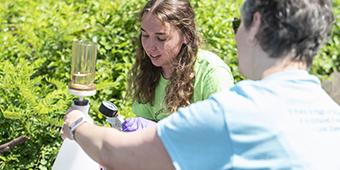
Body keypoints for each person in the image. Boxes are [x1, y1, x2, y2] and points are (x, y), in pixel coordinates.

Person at [62, 0, 340, 169]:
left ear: (255, 24)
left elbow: (119, 154)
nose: (236, 36)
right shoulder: (331, 114)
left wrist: (77, 125)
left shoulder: (236, 112)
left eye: (237, 23)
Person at [121, 0, 234, 132]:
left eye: (161, 38)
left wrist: (162, 130)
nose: (150, 46)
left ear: (186, 35)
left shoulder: (211, 73)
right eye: (145, 35)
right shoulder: (150, 72)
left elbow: (223, 132)